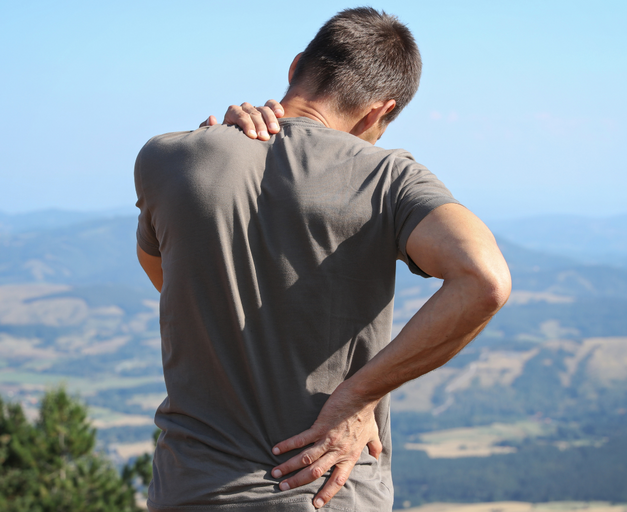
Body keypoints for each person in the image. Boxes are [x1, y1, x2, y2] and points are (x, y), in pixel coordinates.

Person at [135, 7, 511, 511]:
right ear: (380, 111)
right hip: (325, 492)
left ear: (294, 68)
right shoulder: (387, 177)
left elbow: (169, 277)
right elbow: (485, 280)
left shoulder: (165, 158)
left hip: (191, 491)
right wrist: (359, 396)